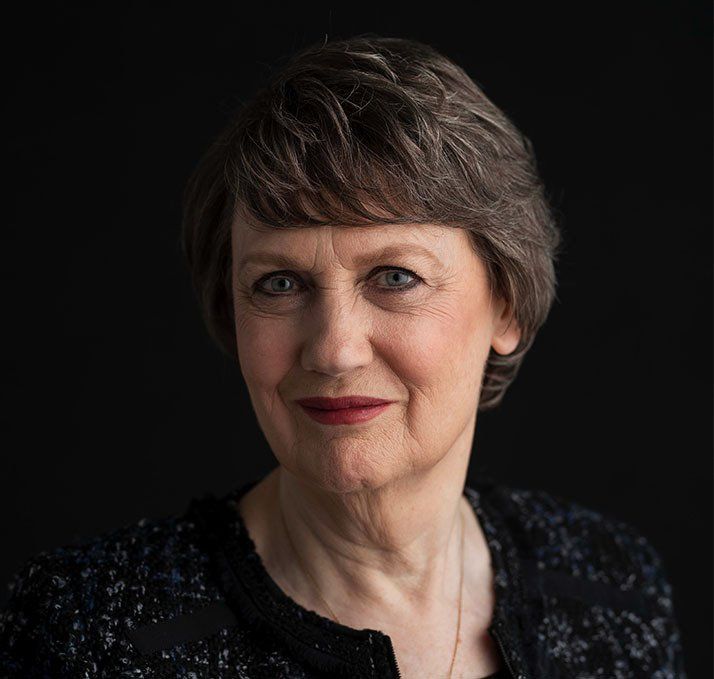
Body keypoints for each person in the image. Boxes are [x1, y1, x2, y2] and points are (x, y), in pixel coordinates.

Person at [0, 34, 686, 678]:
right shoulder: (92, 631)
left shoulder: (612, 587)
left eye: (394, 277)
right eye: (280, 282)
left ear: (505, 304)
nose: (333, 348)